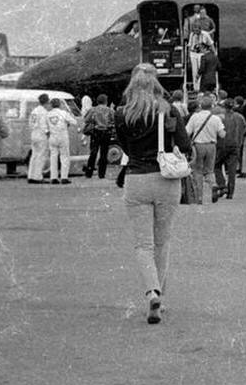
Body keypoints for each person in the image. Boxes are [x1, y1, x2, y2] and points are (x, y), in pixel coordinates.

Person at [114, 63, 192, 324]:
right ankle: (161, 294)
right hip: (166, 180)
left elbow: (125, 147)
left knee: (143, 244)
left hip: (136, 179)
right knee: (163, 241)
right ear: (156, 83)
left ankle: (152, 292)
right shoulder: (168, 110)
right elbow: (184, 144)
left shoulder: (122, 113)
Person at [184, 95, 225, 204]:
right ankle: (214, 185)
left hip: (198, 146)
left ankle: (199, 197)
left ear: (200, 106)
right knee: (209, 170)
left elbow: (187, 132)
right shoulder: (216, 118)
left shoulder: (195, 117)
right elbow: (222, 134)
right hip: (211, 145)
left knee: (197, 171)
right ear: (211, 106)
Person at [214, 97, 246, 200]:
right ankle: (230, 192)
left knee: (217, 165)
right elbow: (245, 127)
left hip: (222, 144)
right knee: (232, 169)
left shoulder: (219, 117)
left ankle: (222, 185)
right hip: (236, 145)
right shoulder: (240, 117)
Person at [82, 94, 117, 179]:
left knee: (93, 152)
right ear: (106, 101)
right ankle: (101, 174)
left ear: (97, 101)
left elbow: (86, 120)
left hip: (95, 132)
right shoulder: (109, 110)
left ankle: (89, 173)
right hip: (106, 133)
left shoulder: (93, 109)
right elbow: (114, 120)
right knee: (104, 154)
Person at [44, 99, 79, 184]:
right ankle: (64, 177)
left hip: (52, 137)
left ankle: (53, 177)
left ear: (51, 105)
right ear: (59, 104)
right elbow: (74, 122)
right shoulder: (63, 113)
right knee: (64, 157)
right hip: (62, 136)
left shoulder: (47, 114)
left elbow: (45, 128)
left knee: (53, 157)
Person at [27, 93, 50, 183]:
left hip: (34, 134)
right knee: (41, 156)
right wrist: (48, 133)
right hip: (41, 135)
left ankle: (31, 175)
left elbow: (30, 124)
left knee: (34, 156)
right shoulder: (44, 112)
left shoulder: (34, 111)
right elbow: (44, 126)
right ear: (47, 101)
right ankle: (38, 176)